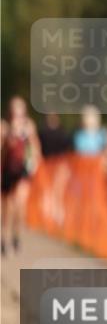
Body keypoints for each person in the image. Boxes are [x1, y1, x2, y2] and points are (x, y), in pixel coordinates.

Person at [2, 96, 42, 256]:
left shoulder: (29, 126)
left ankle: (16, 237)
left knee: (19, 204)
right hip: (6, 171)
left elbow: (35, 146)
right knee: (7, 208)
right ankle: (3, 239)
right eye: (14, 109)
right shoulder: (4, 127)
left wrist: (33, 161)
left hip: (22, 171)